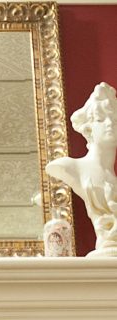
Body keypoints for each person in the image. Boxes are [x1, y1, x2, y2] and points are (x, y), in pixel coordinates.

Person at [46, 82, 117, 256]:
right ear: (89, 128)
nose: (110, 124)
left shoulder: (112, 179)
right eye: (100, 119)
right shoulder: (70, 168)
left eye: (114, 119)